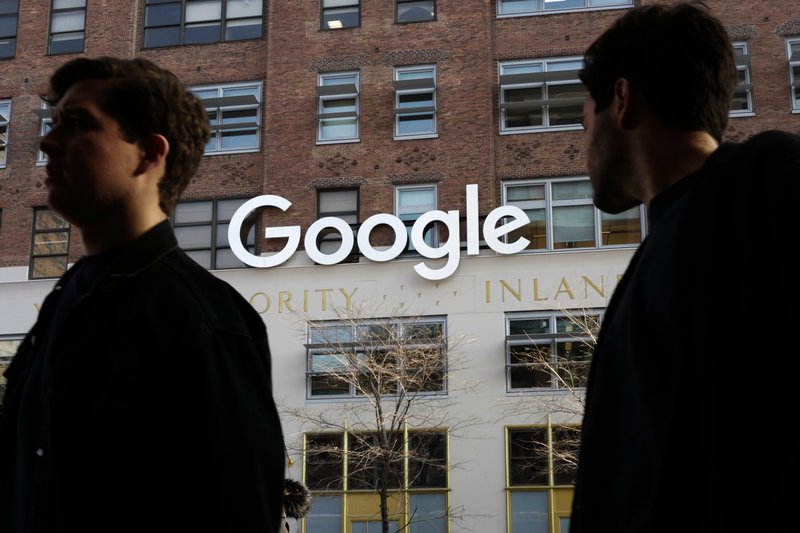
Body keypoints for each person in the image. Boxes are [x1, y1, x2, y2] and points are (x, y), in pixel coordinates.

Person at [0, 57, 285, 532]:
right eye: (53, 125)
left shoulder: (201, 317)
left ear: (150, 154)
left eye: (76, 125)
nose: (48, 143)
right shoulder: (68, 298)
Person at [572, 3, 800, 531]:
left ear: (622, 101)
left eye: (585, 123)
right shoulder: (670, 243)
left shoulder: (763, 179)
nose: (582, 148)